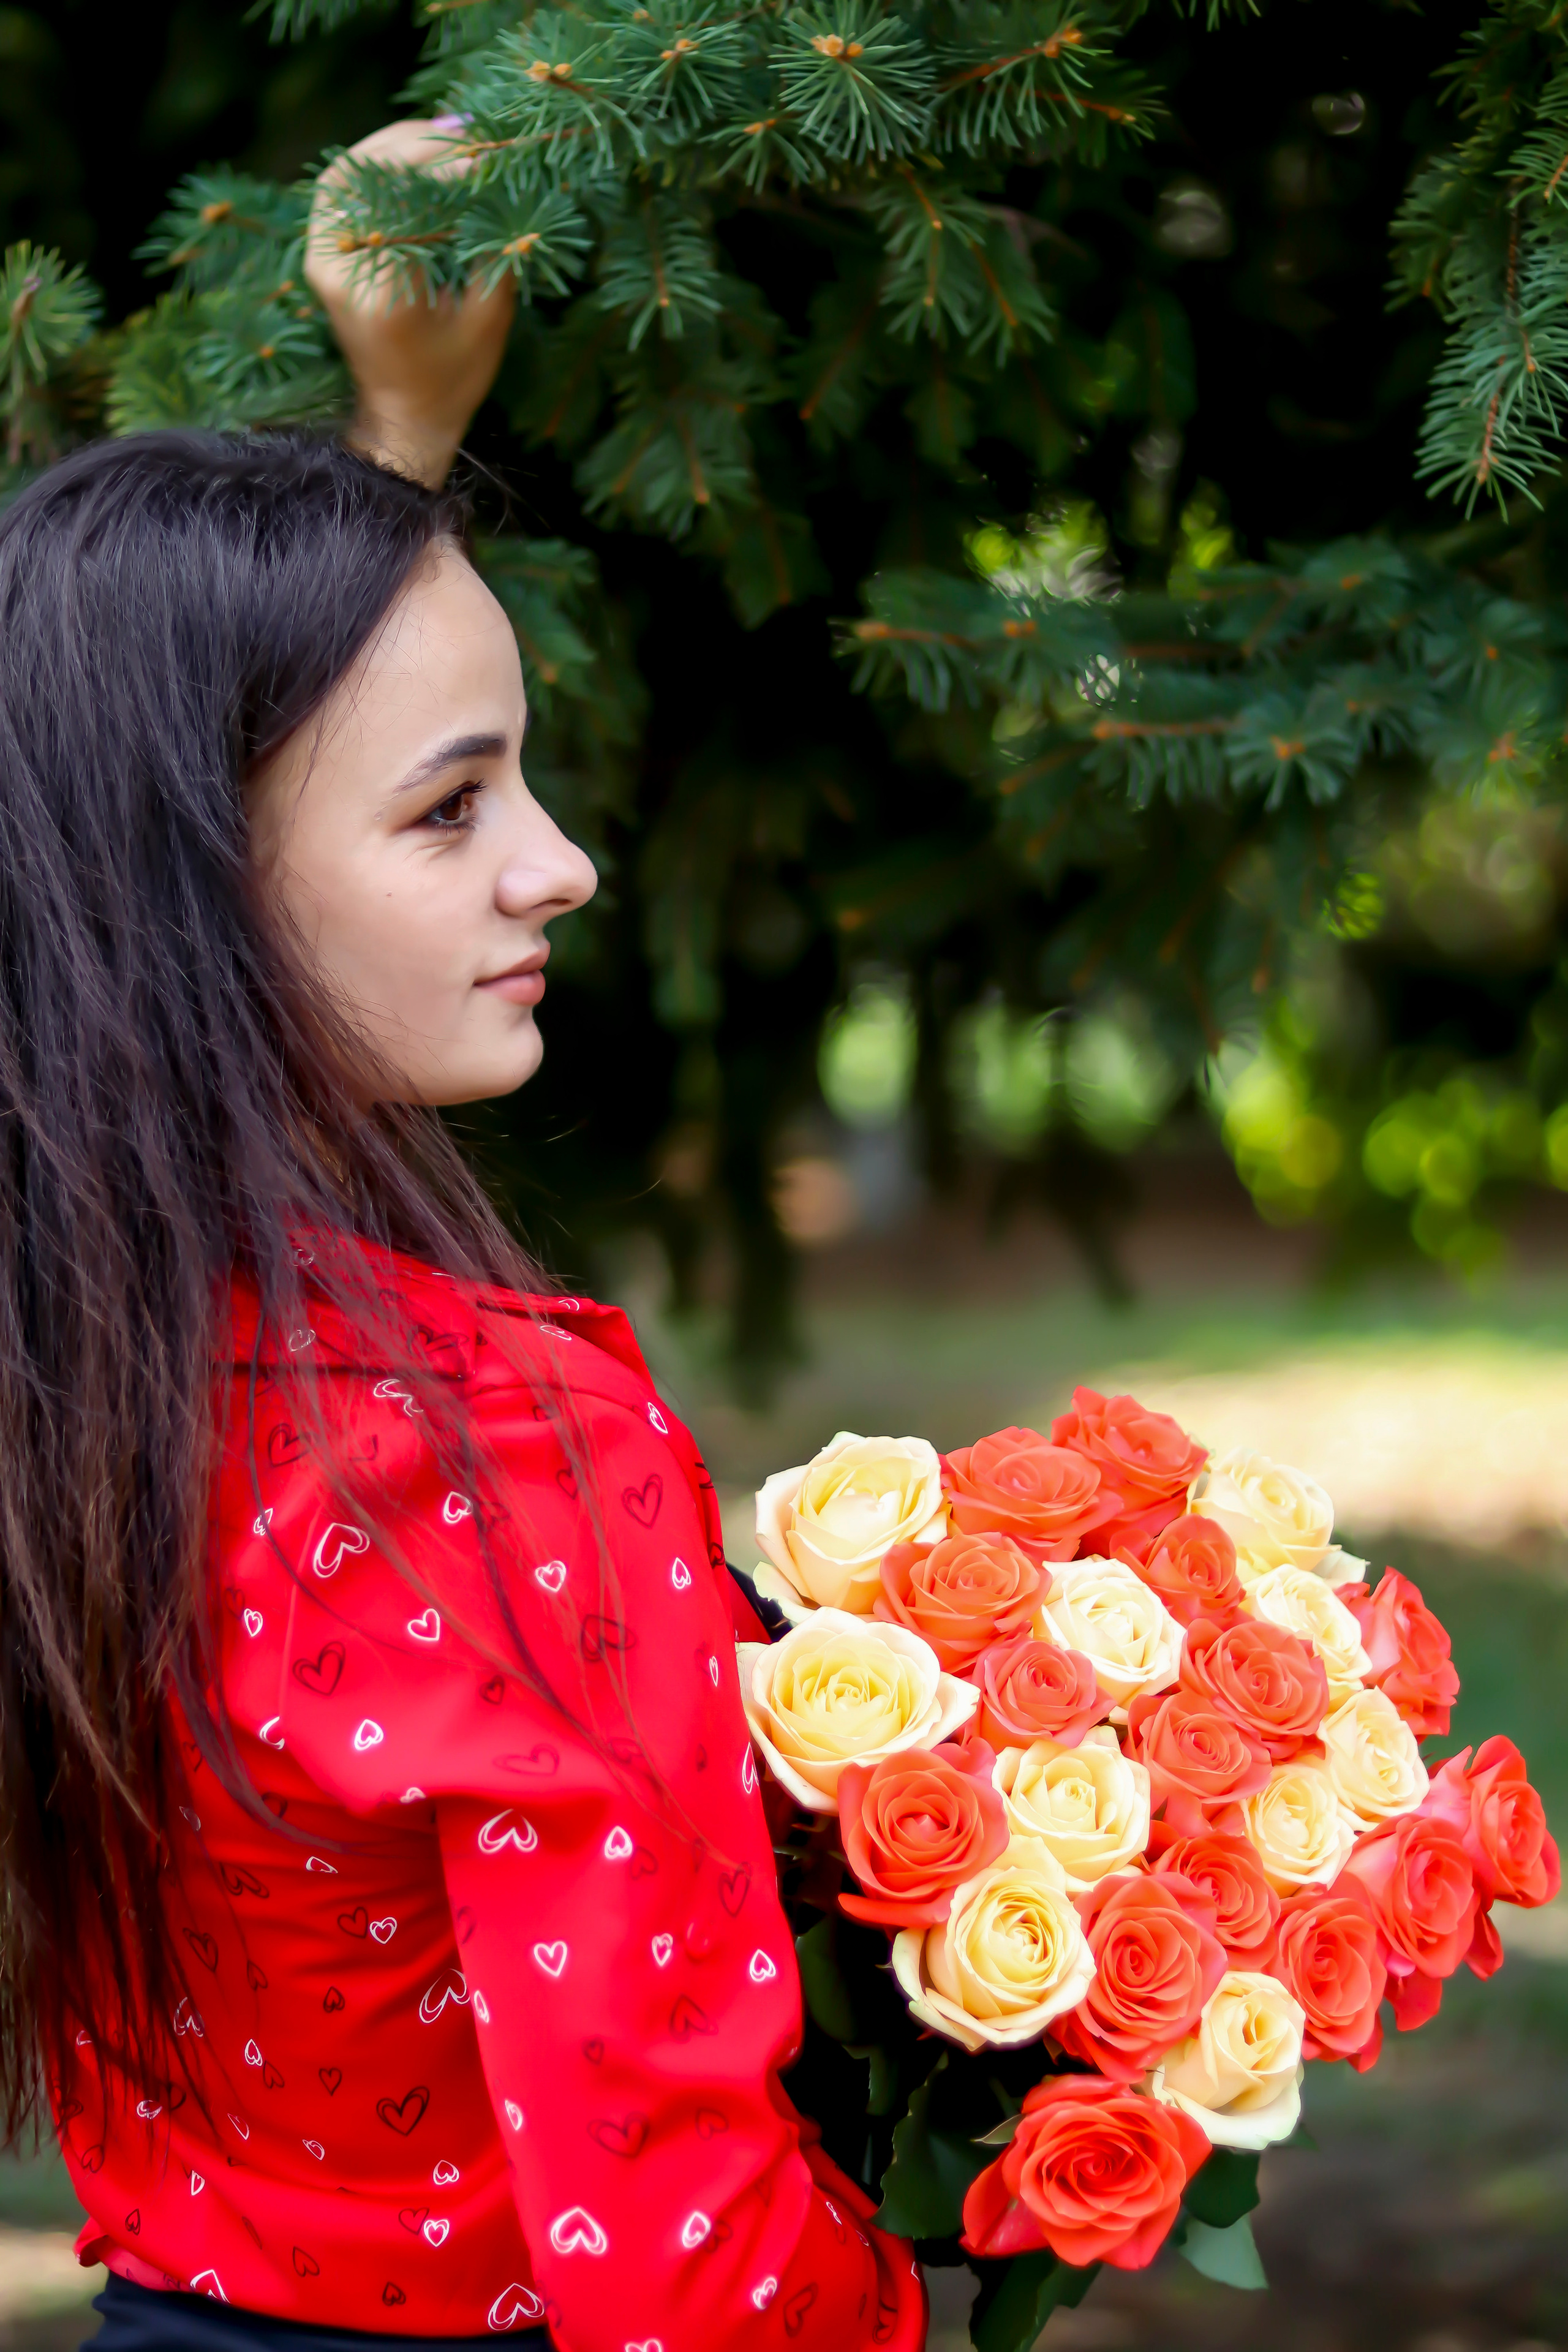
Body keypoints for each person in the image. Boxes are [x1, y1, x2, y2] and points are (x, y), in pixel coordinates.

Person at [0, 119, 926, 2352]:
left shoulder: (74, 1357)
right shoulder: (491, 1455)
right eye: (458, 807)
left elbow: (135, 731)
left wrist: (398, 429)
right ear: (191, 897)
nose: (562, 862)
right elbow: (674, 2245)